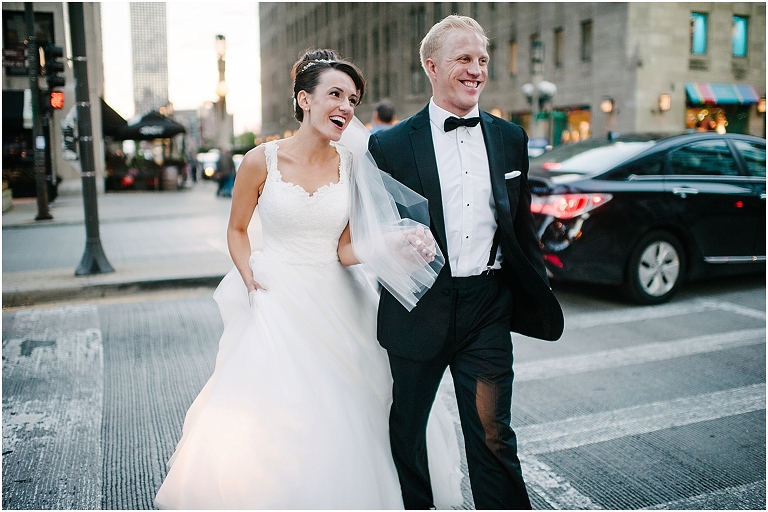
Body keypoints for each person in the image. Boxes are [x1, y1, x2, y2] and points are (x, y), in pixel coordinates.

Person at [153, 50, 462, 509]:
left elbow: (345, 249)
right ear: (305, 99)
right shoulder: (261, 161)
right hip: (277, 297)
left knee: (356, 408)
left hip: (340, 300)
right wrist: (249, 277)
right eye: (334, 94)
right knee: (277, 410)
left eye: (353, 99)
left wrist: (392, 245)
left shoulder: (353, 164)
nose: (345, 107)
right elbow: (237, 230)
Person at [368, 15, 564, 510]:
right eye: (463, 59)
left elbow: (518, 225)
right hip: (418, 306)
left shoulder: (510, 138)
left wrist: (533, 288)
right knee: (407, 432)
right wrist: (398, 241)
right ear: (432, 67)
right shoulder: (388, 145)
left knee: (494, 434)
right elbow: (374, 226)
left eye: (482, 59)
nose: (476, 69)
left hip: (486, 308)